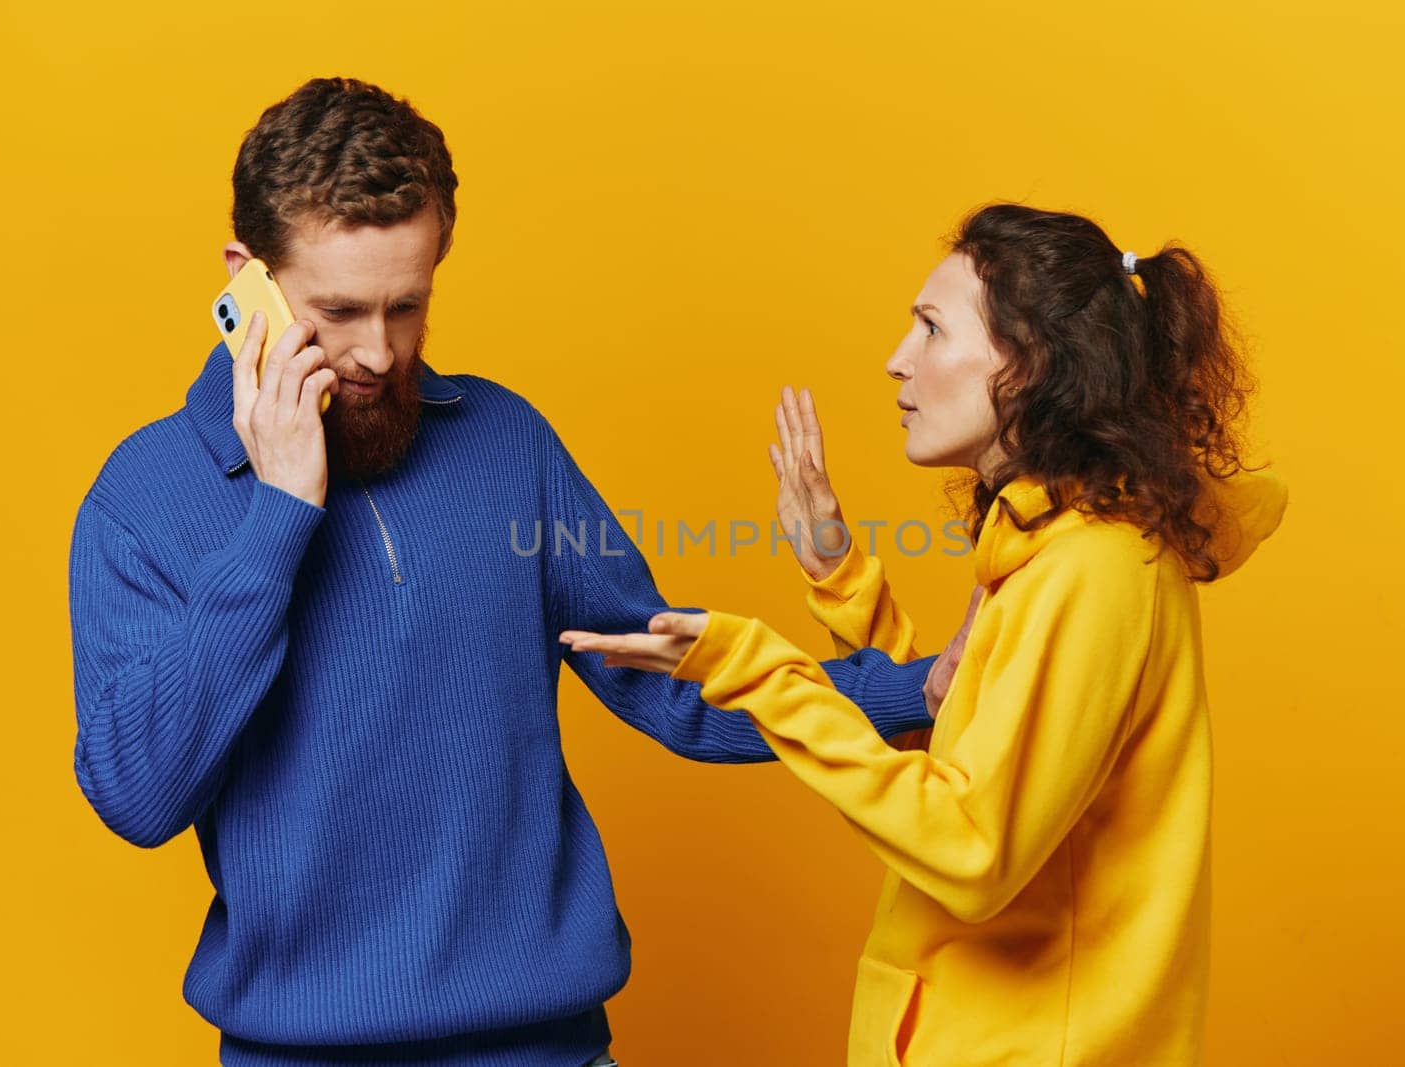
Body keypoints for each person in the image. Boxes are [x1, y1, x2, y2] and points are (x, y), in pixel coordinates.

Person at [65, 76, 942, 1067]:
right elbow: (138, 792)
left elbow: (670, 678)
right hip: (295, 1051)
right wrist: (278, 513)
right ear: (245, 279)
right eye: (337, 311)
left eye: (408, 306)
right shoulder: (142, 498)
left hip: (547, 1045)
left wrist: (913, 683)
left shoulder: (504, 445)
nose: (376, 352)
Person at [560, 203, 1291, 1065]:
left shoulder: (1092, 569)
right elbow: (949, 742)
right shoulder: (1047, 547)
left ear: (1030, 367)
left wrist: (751, 667)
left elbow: (970, 847)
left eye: (932, 329)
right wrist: (839, 574)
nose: (897, 360)